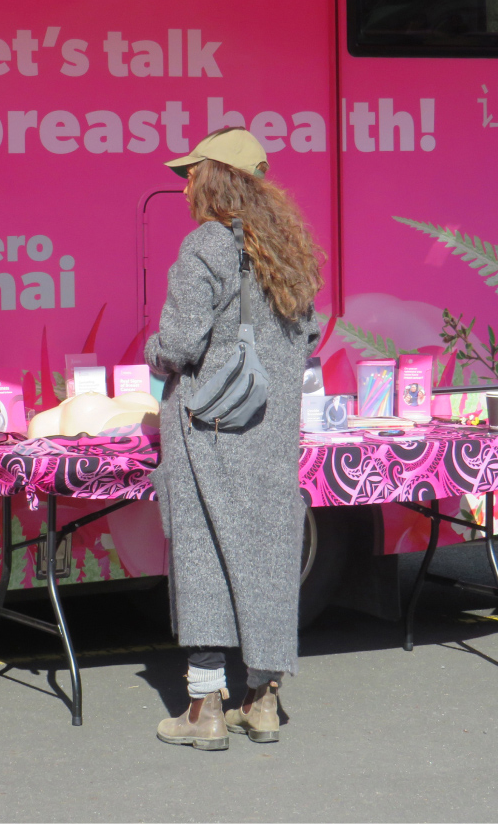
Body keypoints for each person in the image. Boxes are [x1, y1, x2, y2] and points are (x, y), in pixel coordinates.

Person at [145, 127, 323, 752]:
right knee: (267, 556)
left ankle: (205, 710)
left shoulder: (205, 247)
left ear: (216, 179)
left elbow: (178, 344)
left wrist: (153, 352)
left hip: (208, 430)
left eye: (192, 172)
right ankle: (263, 700)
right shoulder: (289, 250)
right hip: (271, 434)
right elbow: (309, 336)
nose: (184, 184)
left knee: (205, 559)